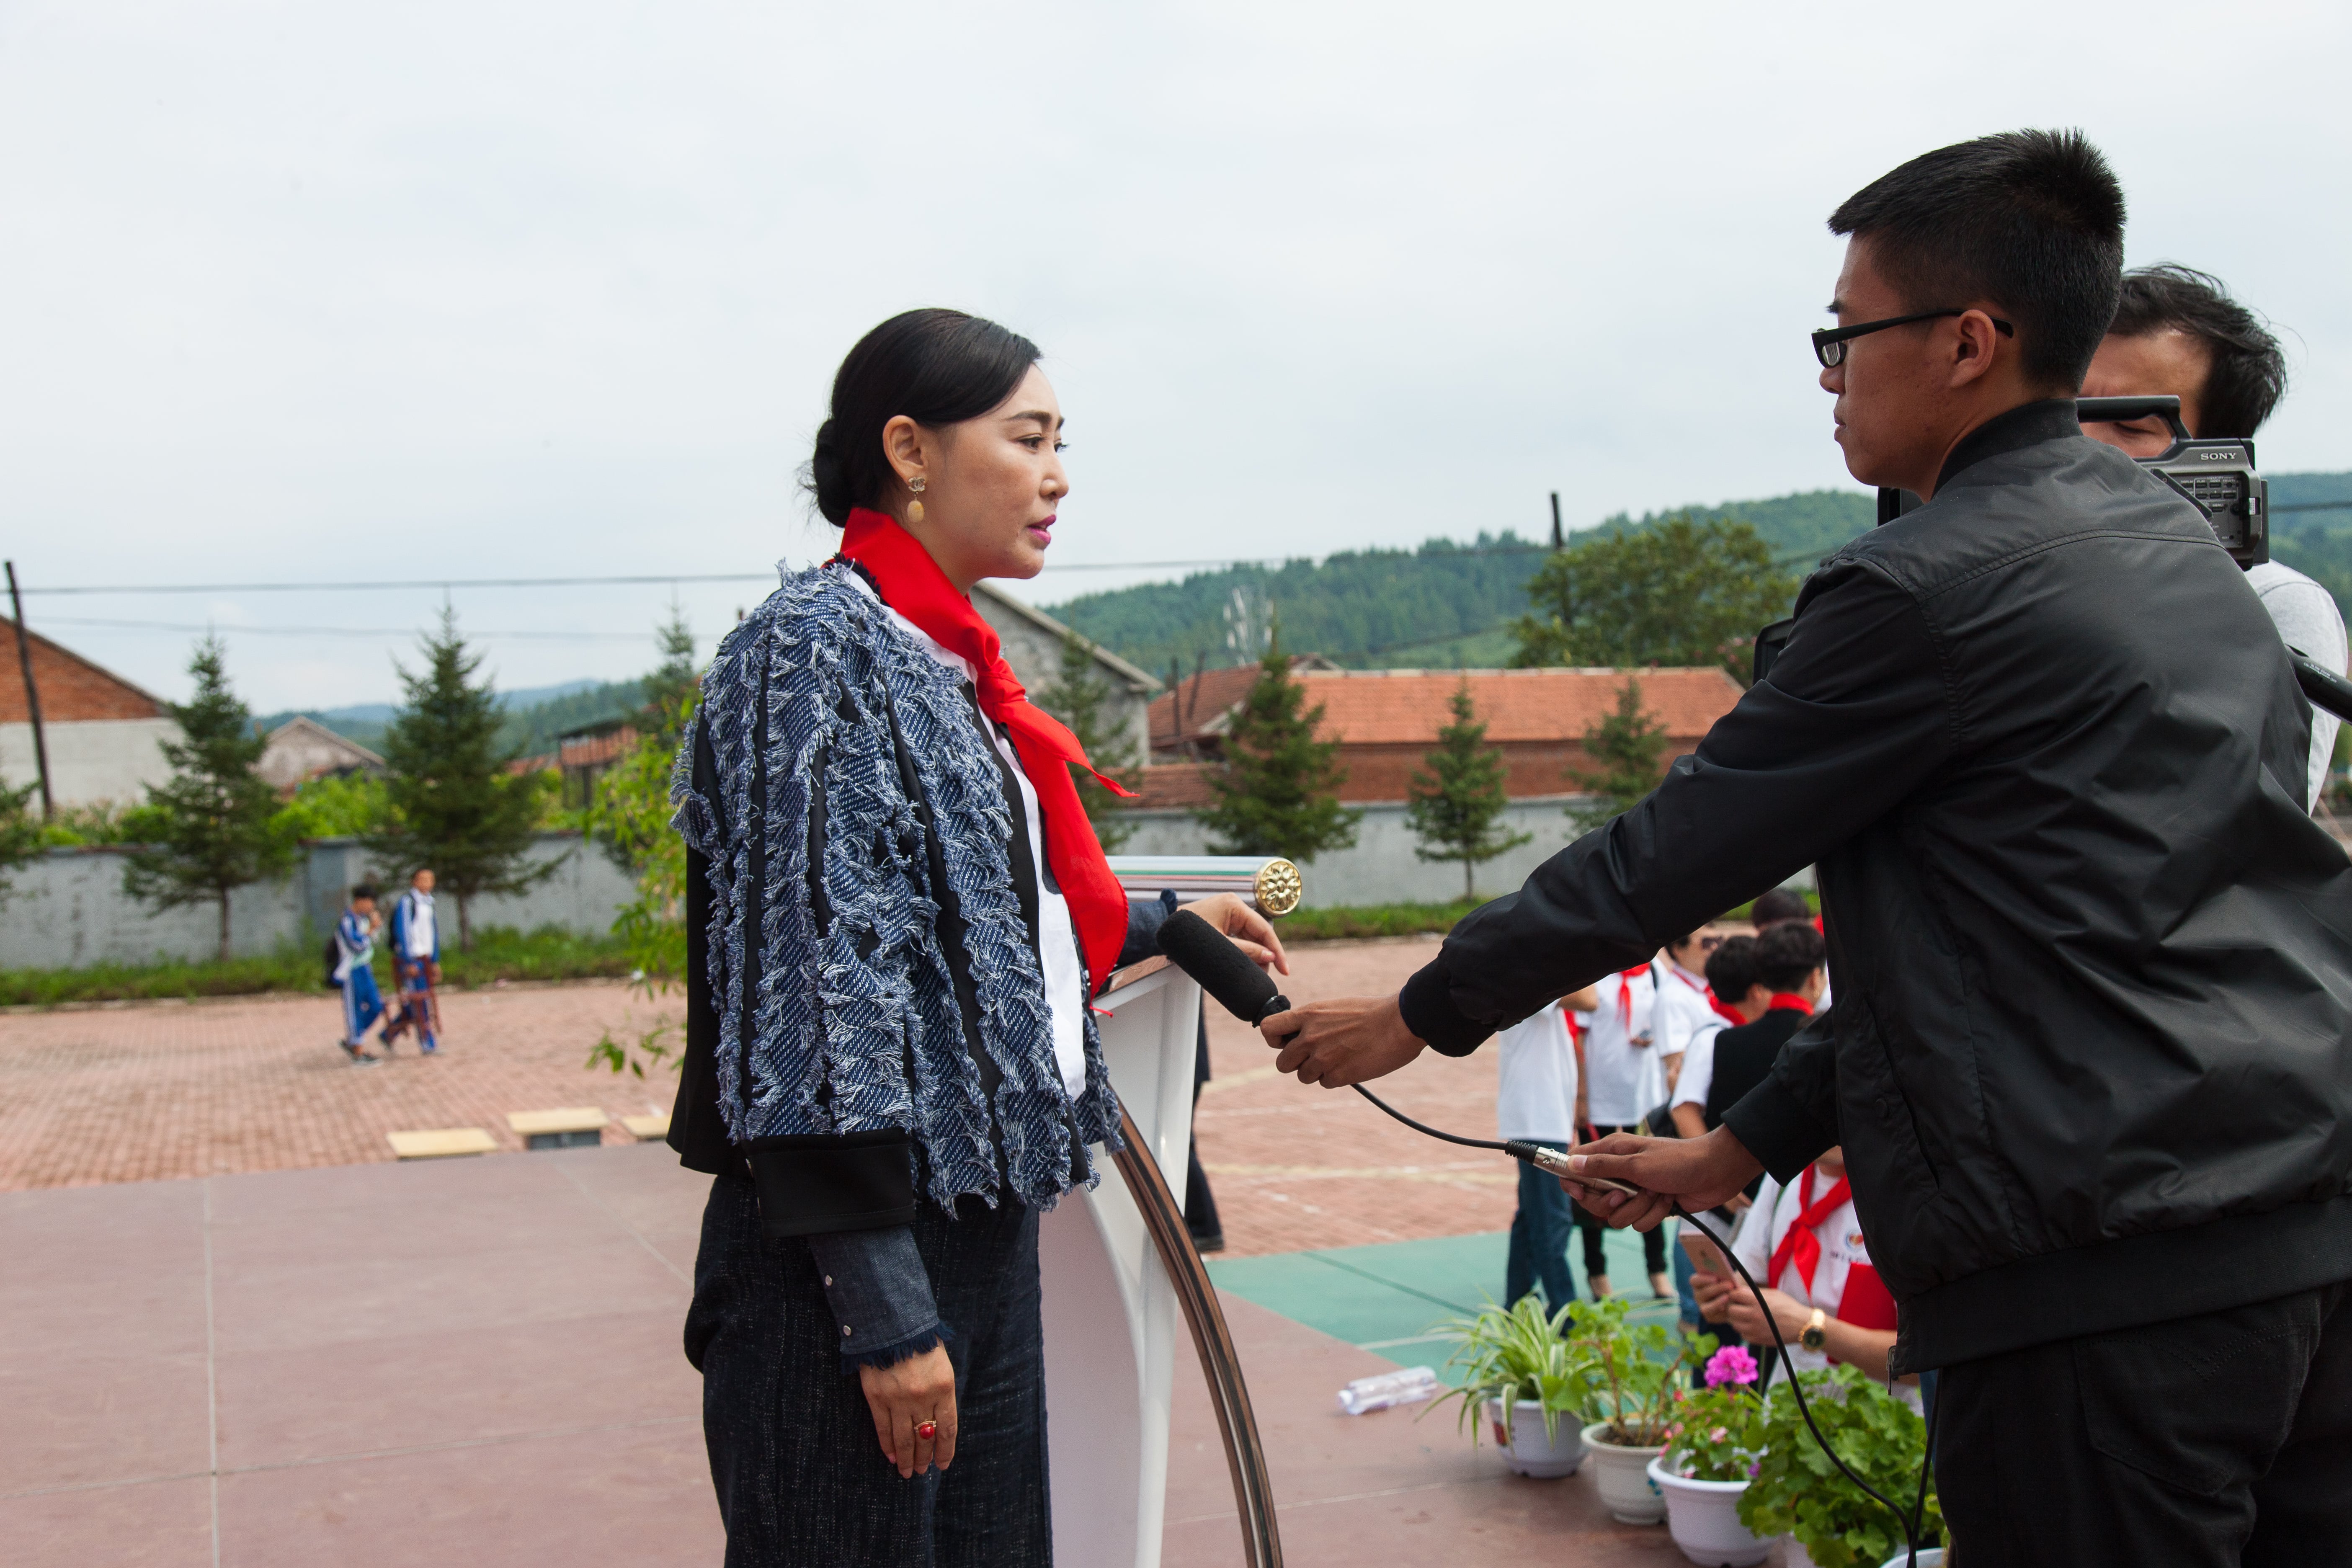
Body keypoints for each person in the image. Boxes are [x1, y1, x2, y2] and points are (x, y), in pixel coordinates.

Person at [1259, 131, 2352, 1564]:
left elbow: (1674, 849)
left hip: (2101, 1282)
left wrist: (1420, 1008)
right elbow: (2029, 947)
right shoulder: (2189, 574)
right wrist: (1736, 1150)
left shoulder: (1923, 588)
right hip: (2298, 1244)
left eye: (1847, 334)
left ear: (1966, 342)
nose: (1827, 373)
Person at [663, 308, 1289, 1565]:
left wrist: (1163, 925)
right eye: (1029, 437)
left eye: (1065, 442)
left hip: (980, 1229)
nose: (1059, 476)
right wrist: (886, 1317)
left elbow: (975, 929)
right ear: (909, 450)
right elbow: (819, 990)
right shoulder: (810, 655)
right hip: (848, 1264)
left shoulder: (939, 661)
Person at [2079, 264, 2347, 811]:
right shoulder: (1989, 581)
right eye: (2066, 413)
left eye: (2129, 427)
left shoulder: (2274, 608)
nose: (2083, 446)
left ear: (2218, 459)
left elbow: (2250, 833)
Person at [1691, 1144, 1906, 1394]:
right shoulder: (1783, 1178)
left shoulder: (1905, 1195)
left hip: (1878, 1418)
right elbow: (1755, 1281)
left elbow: (1926, 1360)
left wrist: (1812, 1327)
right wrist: (1727, 1300)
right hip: (1788, 1410)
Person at [1571, 958, 1671, 1299]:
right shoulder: (1594, 969)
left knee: (1652, 1184)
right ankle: (1596, 1270)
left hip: (1643, 1099)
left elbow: (1668, 1018)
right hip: (1600, 1099)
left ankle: (1658, 1269)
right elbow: (1579, 1037)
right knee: (1592, 1185)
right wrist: (1581, 1096)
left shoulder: (1655, 969)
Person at [1499, 986, 1597, 1316]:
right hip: (1536, 1119)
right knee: (1551, 1220)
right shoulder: (1526, 977)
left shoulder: (1525, 974)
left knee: (1532, 1217)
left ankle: (1518, 1303)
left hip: (1541, 1116)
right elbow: (1589, 999)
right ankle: (1565, 1311)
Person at [380, 867, 441, 1055]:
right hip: (412, 959)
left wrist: (435, 960)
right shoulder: (408, 903)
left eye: (429, 879)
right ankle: (427, 1043)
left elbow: (432, 934)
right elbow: (404, 932)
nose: (426, 883)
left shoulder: (429, 903)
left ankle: (389, 1034)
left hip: (426, 958)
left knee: (421, 999)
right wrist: (408, 961)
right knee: (419, 999)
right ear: (414, 882)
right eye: (422, 879)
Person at [332, 884, 384, 1065]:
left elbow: (372, 942)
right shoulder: (347, 921)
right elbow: (357, 946)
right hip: (351, 970)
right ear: (359, 901)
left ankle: (354, 1040)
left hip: (365, 968)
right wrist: (370, 930)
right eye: (369, 902)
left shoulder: (362, 919)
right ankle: (358, 1051)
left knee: (377, 1006)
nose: (371, 907)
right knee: (354, 1010)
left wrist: (373, 927)